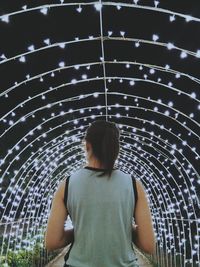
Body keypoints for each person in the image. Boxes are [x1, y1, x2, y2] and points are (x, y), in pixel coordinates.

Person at [45, 120, 156, 267]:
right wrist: (123, 227)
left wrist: (81, 231)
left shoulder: (67, 184)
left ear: (87, 145)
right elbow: (148, 245)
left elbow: (52, 241)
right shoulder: (133, 184)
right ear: (116, 149)